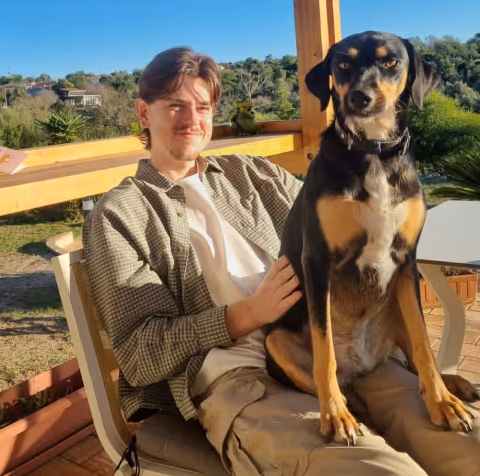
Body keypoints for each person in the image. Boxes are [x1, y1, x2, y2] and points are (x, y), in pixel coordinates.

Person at [83, 47, 480, 476]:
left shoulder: (255, 175)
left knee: (467, 446)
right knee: (381, 471)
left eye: (202, 106)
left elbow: (347, 238)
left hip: (338, 349)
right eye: (175, 106)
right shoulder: (121, 214)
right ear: (144, 113)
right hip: (240, 382)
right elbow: (140, 352)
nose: (191, 120)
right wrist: (247, 314)